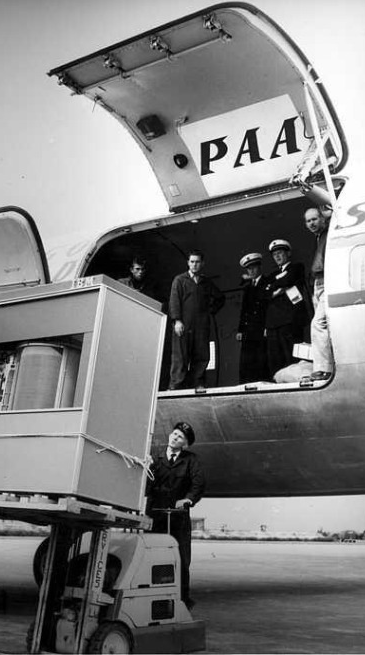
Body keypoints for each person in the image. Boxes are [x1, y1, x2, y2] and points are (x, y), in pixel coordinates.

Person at [145, 422, 205, 609]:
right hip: (156, 516)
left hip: (178, 518)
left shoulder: (191, 460)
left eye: (180, 437)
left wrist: (188, 499)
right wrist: (145, 469)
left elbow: (198, 483)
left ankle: (182, 601)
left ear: (185, 444)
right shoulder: (156, 459)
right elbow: (147, 487)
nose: (174, 437)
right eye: (174, 434)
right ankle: (153, 598)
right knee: (152, 556)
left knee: (181, 558)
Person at [169, 250, 225, 390]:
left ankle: (198, 383)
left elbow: (220, 298)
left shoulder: (206, 282)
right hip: (183, 325)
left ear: (202, 264)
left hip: (201, 325)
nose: (194, 265)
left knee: (201, 356)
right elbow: (174, 301)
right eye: (192, 261)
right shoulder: (180, 280)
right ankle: (176, 386)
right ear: (188, 263)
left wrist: (210, 311)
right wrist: (177, 320)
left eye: (197, 262)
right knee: (180, 356)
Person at [264, 239, 308, 378]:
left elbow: (288, 280)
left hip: (291, 320)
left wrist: (274, 287)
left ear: (288, 253)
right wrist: (278, 288)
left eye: (280, 253)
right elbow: (263, 293)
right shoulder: (271, 275)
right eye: (274, 254)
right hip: (273, 323)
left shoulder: (296, 267)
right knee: (276, 360)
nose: (277, 257)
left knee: (292, 358)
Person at [304, 207, 334, 381]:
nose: (312, 223)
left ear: (323, 219)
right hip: (318, 283)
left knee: (318, 324)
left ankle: (324, 369)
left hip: (327, 280)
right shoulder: (317, 238)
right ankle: (325, 367)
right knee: (322, 325)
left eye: (314, 219)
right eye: (308, 221)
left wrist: (329, 214)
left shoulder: (328, 231)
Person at [236, 252, 270, 383]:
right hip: (248, 330)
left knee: (261, 359)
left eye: (254, 267)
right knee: (246, 361)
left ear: (259, 267)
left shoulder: (267, 282)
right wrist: (240, 329)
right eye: (248, 268)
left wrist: (267, 326)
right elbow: (244, 310)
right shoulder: (248, 287)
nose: (251, 270)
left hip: (261, 328)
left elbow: (268, 307)